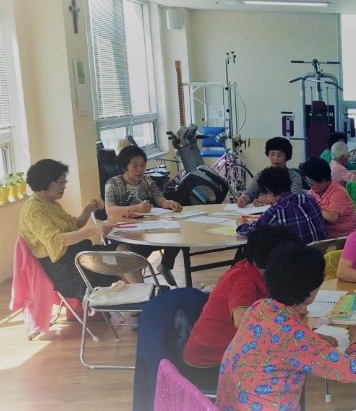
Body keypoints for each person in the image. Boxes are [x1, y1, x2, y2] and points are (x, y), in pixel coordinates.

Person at [216, 243, 356, 411]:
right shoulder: (296, 336)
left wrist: (312, 338)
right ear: (311, 291)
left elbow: (275, 342)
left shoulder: (259, 307)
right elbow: (352, 371)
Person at [182, 225, 302, 387]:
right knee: (286, 372)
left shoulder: (259, 272)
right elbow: (244, 323)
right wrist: (300, 337)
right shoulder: (241, 279)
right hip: (208, 367)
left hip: (232, 355)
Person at [19, 159, 141, 299]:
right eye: (61, 181)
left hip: (78, 254)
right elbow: (56, 240)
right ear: (45, 181)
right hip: (65, 267)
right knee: (122, 262)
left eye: (64, 181)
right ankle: (140, 300)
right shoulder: (32, 210)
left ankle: (140, 298)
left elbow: (73, 227)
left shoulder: (50, 203)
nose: (64, 185)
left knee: (124, 252)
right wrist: (92, 230)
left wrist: (88, 210)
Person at [104, 145, 182, 285]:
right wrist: (135, 209)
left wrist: (168, 203)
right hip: (124, 233)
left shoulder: (147, 180)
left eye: (142, 165)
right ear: (125, 167)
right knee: (130, 257)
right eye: (135, 166)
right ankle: (132, 282)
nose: (140, 169)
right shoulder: (113, 183)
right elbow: (110, 210)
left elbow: (159, 199)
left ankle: (165, 265)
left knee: (177, 234)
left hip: (147, 230)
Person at [236, 167, 327, 244]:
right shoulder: (310, 200)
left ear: (268, 189)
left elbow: (252, 232)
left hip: (295, 257)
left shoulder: (275, 211)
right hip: (320, 254)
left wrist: (241, 224)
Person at [237, 137, 303, 207]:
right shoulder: (261, 175)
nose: (275, 158)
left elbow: (294, 200)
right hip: (260, 211)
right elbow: (250, 193)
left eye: (280, 155)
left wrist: (272, 200)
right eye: (272, 154)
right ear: (268, 155)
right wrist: (244, 199)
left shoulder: (294, 177)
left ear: (287, 157)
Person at [301, 157, 356, 238]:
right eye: (308, 182)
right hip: (324, 234)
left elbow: (332, 217)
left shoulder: (338, 192)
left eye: (311, 184)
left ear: (323, 179)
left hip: (341, 238)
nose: (310, 186)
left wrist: (312, 207)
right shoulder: (315, 190)